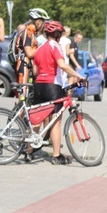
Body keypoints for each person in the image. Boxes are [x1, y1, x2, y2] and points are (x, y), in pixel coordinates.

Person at [32, 21, 86, 165]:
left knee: (37, 118)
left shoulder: (40, 49)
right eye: (60, 34)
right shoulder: (55, 46)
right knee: (56, 120)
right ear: (56, 34)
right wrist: (78, 75)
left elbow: (35, 71)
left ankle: (29, 150)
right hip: (52, 86)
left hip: (38, 86)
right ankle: (56, 155)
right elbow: (62, 65)